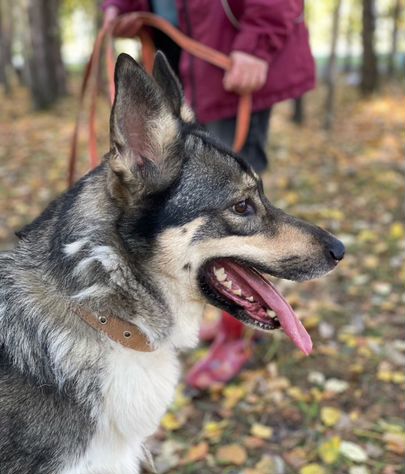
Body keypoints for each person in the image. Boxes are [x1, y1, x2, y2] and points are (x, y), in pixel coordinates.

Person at [102, 0, 316, 388]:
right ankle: (223, 315)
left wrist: (257, 42)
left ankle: (237, 336)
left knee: (237, 213)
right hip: (177, 54)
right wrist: (121, 5)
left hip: (230, 58)